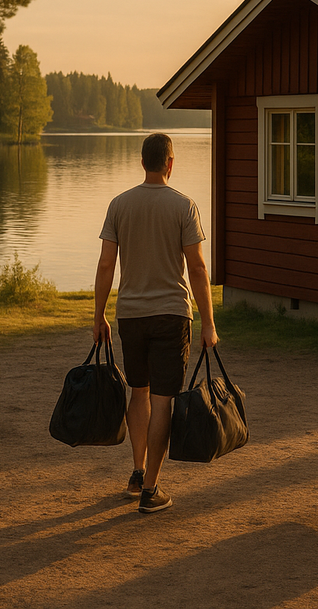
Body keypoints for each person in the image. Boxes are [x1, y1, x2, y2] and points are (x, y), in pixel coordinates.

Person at [93, 132, 218, 514]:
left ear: (142, 161)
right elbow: (197, 267)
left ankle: (137, 470)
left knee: (139, 392)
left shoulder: (119, 205)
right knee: (163, 399)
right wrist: (209, 323)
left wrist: (98, 316)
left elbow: (105, 264)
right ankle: (150, 489)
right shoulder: (184, 206)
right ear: (170, 162)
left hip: (130, 315)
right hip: (171, 315)